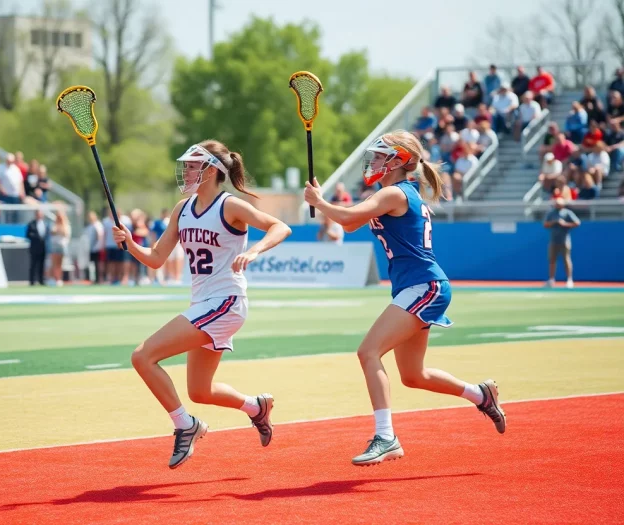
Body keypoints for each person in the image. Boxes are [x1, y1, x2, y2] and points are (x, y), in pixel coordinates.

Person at [303, 130, 505, 467]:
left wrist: (320, 202)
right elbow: (351, 225)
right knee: (414, 375)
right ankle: (480, 394)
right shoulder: (390, 193)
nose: (374, 162)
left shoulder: (395, 193)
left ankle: (386, 437)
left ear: (398, 161)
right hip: (416, 287)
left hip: (424, 285)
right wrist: (322, 203)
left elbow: (350, 218)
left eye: (381, 156)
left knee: (368, 351)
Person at [111, 140, 291, 469]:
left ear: (211, 170)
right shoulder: (183, 208)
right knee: (200, 390)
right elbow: (156, 259)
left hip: (226, 302)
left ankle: (185, 425)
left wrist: (254, 250)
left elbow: (281, 226)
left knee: (142, 356)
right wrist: (131, 243)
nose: (187, 170)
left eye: (193, 165)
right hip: (206, 304)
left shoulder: (230, 206)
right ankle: (256, 407)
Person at [543, 198, 580, 289]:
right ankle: (551, 280)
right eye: (556, 203)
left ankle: (569, 280)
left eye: (559, 204)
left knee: (566, 260)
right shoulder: (551, 213)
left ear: (563, 204)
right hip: (553, 240)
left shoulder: (567, 212)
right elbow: (545, 224)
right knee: (552, 260)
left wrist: (565, 224)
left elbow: (577, 223)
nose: (557, 205)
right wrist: (554, 222)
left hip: (564, 240)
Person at [26, 210, 49, 286]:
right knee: (33, 265)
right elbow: (28, 235)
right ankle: (32, 281)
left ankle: (41, 280)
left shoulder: (45, 224)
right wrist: (37, 237)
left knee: (42, 265)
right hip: (34, 248)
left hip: (43, 247)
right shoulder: (31, 224)